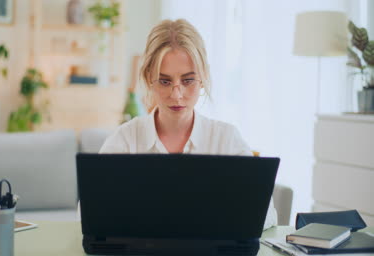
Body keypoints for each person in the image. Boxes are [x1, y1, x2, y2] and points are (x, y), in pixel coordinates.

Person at [99, 19, 277, 230]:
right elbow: (90, 210)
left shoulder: (226, 138)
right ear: (149, 78)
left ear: (203, 77)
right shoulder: (125, 140)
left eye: (188, 80)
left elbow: (266, 213)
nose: (177, 94)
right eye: (165, 81)